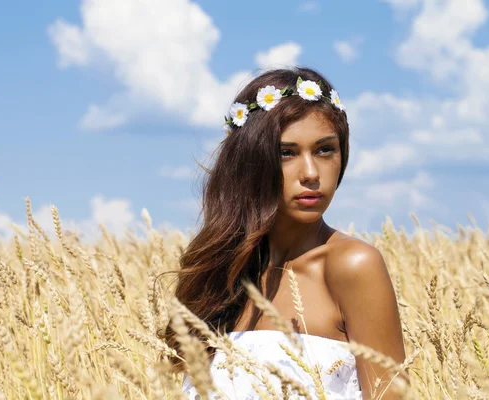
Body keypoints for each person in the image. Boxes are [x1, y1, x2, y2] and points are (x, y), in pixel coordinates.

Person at [161, 67, 408, 399]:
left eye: (324, 150)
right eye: (286, 153)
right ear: (251, 162)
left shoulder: (352, 266)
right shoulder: (219, 278)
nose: (310, 173)